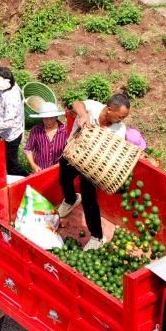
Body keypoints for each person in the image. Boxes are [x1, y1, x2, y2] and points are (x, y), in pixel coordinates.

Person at [57, 93, 133, 251]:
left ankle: (97, 237)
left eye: (124, 117)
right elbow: (77, 103)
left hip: (92, 167)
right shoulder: (93, 107)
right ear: (109, 109)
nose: (121, 120)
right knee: (64, 179)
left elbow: (113, 150)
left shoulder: (120, 129)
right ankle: (71, 199)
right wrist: (83, 114)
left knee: (89, 200)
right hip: (72, 153)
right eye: (120, 116)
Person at [0, 68, 25, 177]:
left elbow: (9, 124)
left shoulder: (11, 99)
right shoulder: (10, 85)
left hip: (12, 135)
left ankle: (25, 178)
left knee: (12, 165)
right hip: (5, 132)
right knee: (5, 158)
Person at [25, 101, 70, 172]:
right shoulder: (36, 130)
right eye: (45, 119)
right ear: (42, 118)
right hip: (41, 170)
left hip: (60, 170)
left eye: (51, 118)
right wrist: (33, 165)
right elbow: (28, 149)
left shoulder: (65, 130)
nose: (49, 121)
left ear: (56, 117)